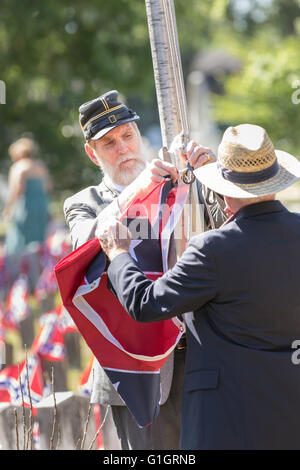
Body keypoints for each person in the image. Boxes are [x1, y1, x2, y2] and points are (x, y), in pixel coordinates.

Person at [98, 123, 300, 450]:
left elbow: (146, 303)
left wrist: (119, 254)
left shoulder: (213, 249)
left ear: (223, 189)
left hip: (226, 418)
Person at [63, 89, 225, 450]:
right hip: (137, 372)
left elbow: (228, 233)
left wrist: (216, 179)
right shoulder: (84, 203)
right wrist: (140, 189)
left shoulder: (181, 183)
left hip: (203, 358)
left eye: (127, 136)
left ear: (139, 134)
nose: (123, 148)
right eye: (109, 143)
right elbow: (86, 245)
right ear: (92, 153)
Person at [3, 137, 51, 255]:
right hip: (41, 205)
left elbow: (16, 191)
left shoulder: (18, 167)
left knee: (20, 238)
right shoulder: (40, 166)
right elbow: (48, 187)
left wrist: (8, 209)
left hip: (25, 206)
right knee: (39, 237)